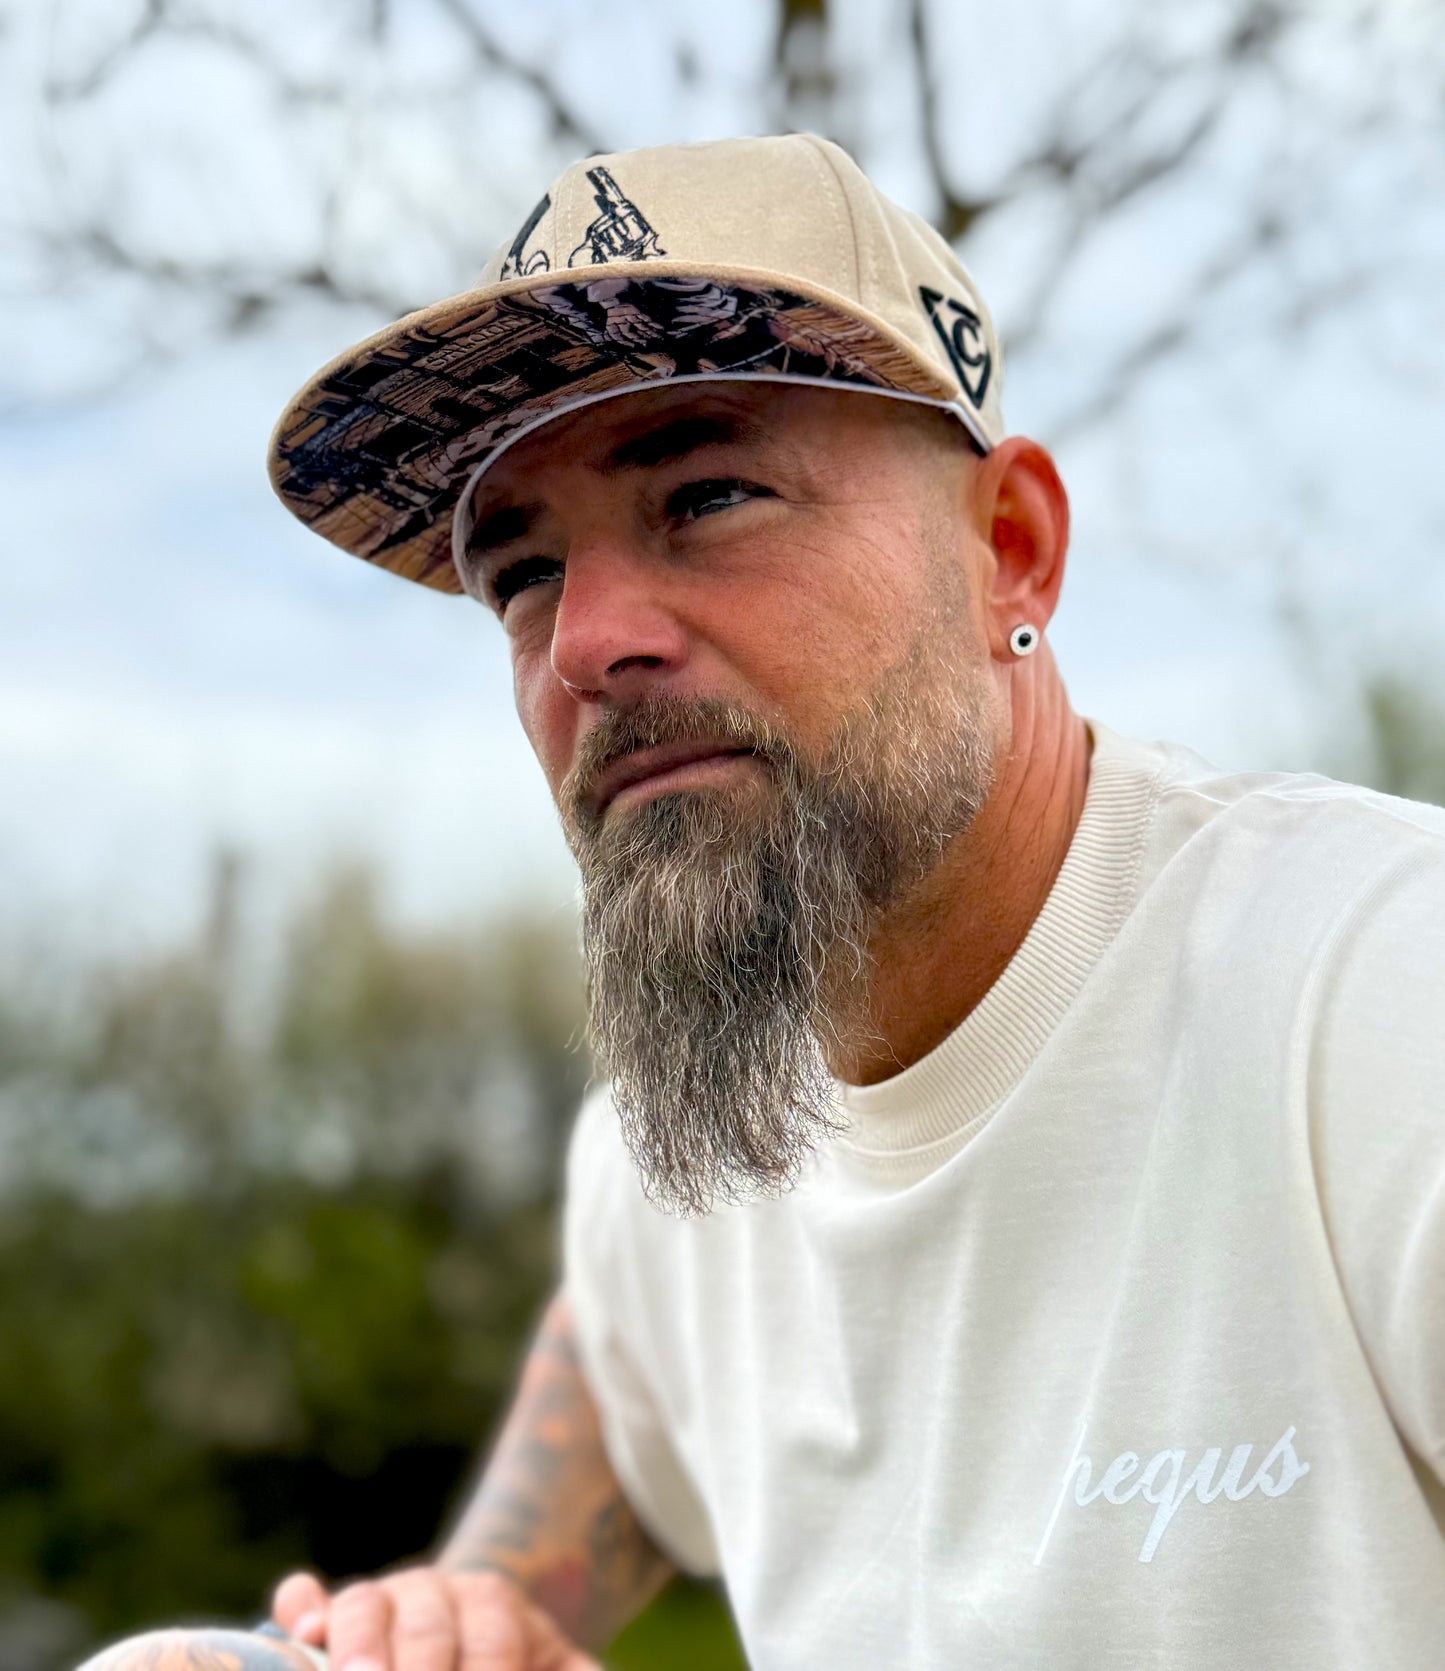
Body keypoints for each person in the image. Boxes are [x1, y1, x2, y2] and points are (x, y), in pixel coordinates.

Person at [82, 134, 1445, 1671]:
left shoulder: (1378, 1001)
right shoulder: (681, 1150)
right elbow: (600, 1412)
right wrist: (460, 1617)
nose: (585, 639)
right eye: (520, 574)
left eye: (707, 494)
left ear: (1009, 551)